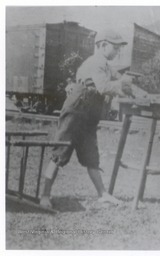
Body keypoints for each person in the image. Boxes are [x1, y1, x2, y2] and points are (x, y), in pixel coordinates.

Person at [40, 29, 134, 208]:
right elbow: (104, 87)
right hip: (75, 113)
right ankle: (45, 196)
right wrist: (122, 84)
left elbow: (118, 82)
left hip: (89, 116)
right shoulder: (96, 62)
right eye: (115, 48)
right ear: (103, 45)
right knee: (59, 154)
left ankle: (103, 194)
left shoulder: (106, 65)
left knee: (92, 156)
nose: (117, 52)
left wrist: (133, 89)